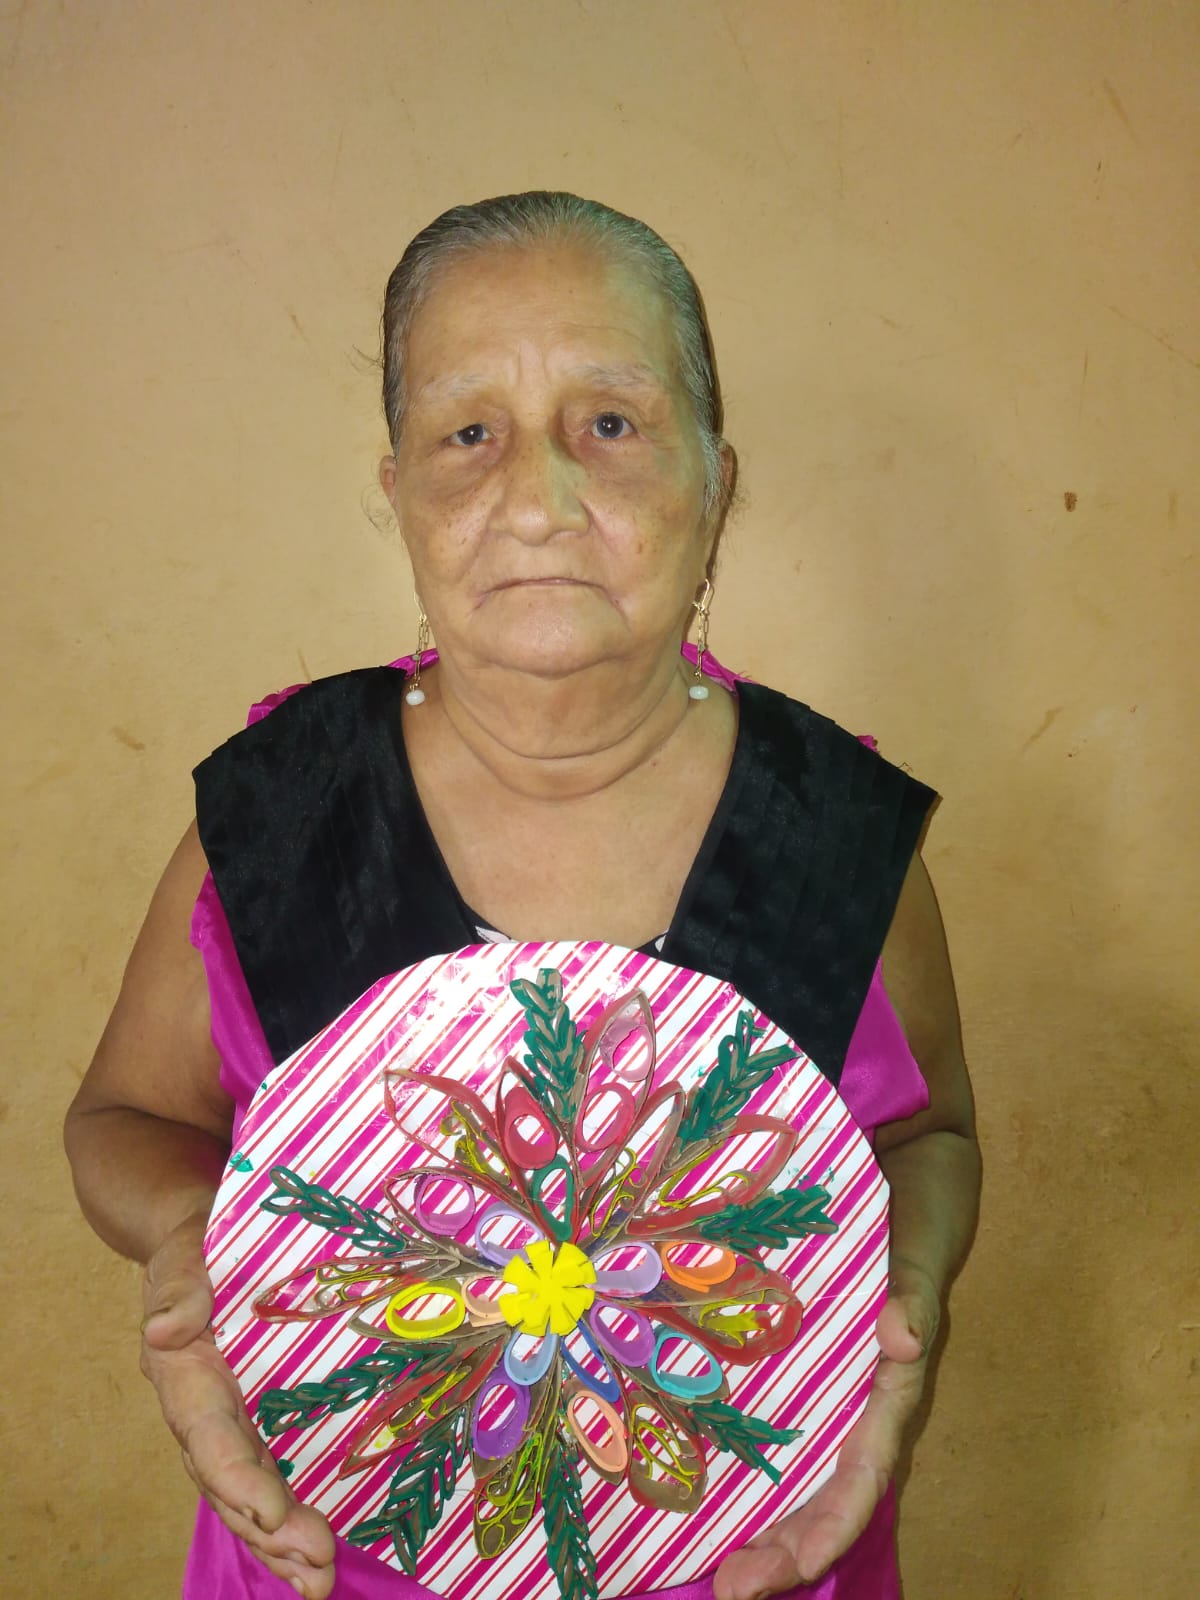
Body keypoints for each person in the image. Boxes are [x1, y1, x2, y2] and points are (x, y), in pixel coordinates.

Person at [64, 191, 981, 1600]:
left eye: (610, 422)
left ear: (716, 477)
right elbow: (122, 1122)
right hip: (336, 1556)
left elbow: (928, 1135)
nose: (539, 497)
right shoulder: (279, 818)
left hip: (751, 1552)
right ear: (397, 489)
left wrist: (905, 1287)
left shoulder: (837, 838)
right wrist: (198, 1236)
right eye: (468, 433)